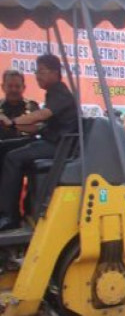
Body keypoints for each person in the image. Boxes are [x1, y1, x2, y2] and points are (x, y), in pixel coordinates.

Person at [0, 54, 79, 231]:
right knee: (3, 149)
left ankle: (10, 217)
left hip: (59, 147)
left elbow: (42, 116)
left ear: (55, 73)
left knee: (13, 158)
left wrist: (13, 122)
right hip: (49, 142)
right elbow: (38, 128)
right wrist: (12, 127)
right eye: (36, 72)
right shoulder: (52, 94)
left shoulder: (60, 92)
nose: (37, 76)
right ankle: (4, 210)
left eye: (41, 71)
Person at [0, 69, 40, 140]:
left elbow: (39, 128)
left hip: (26, 147)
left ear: (23, 87)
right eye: (10, 86)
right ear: (3, 87)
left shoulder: (32, 107)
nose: (14, 90)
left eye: (17, 86)